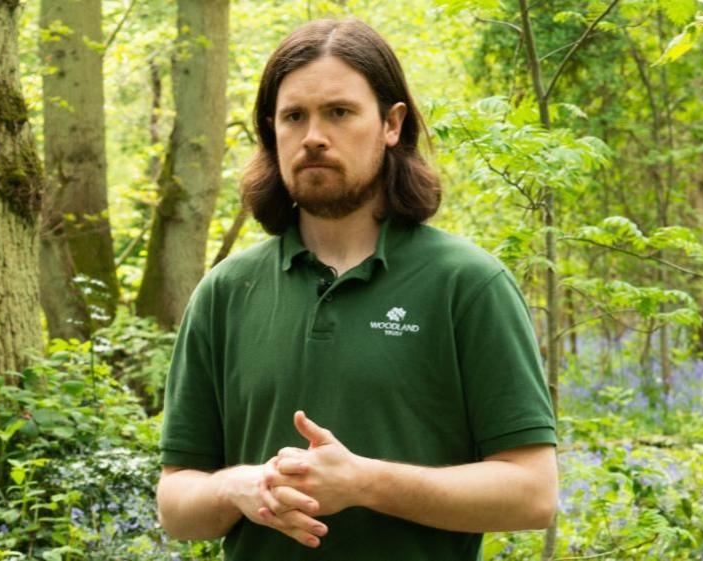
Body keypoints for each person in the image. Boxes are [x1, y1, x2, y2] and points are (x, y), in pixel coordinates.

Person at [155, 18, 558, 561]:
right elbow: (177, 503)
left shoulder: (468, 284)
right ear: (272, 131)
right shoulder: (226, 291)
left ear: (392, 124)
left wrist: (364, 483)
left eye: (339, 112)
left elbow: (533, 494)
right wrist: (239, 487)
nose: (314, 136)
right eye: (293, 116)